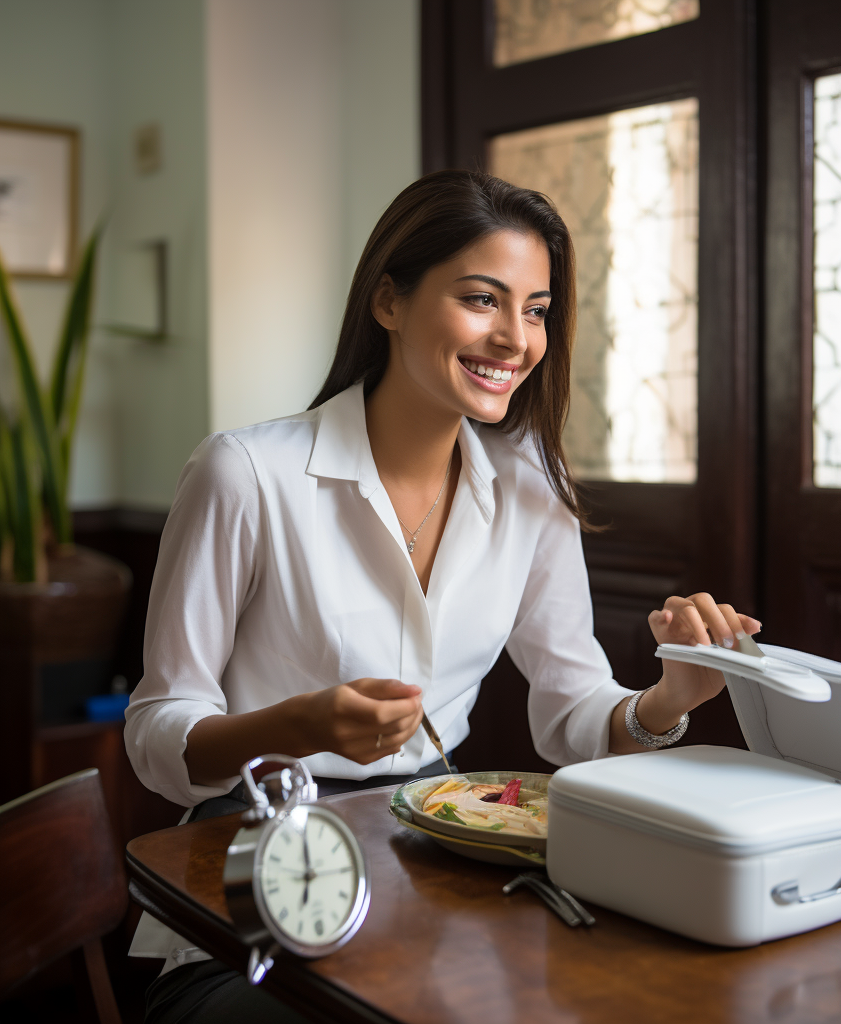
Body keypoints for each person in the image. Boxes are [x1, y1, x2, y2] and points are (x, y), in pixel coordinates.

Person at [126, 170, 760, 1022]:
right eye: (481, 300)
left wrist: (667, 700)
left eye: (535, 310)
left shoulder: (535, 497)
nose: (515, 338)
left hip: (436, 856)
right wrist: (299, 726)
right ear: (388, 300)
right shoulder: (245, 474)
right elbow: (156, 734)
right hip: (254, 871)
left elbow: (572, 715)